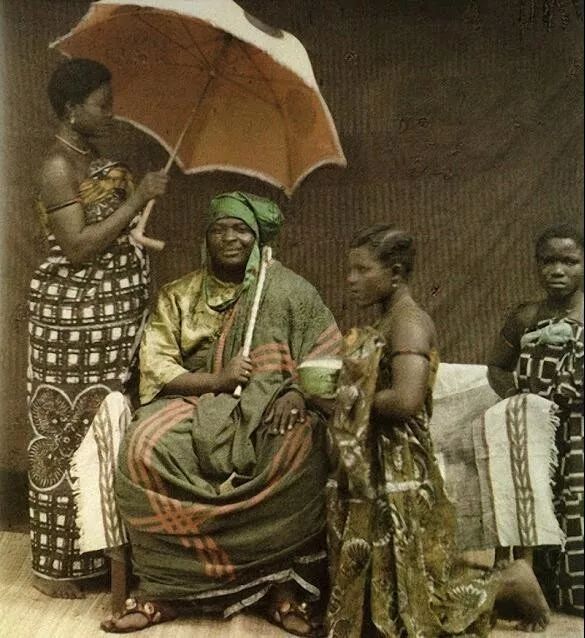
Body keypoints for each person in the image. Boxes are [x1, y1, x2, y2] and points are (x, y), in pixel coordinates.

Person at [101, 192, 341, 636]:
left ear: (258, 239)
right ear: (205, 237)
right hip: (191, 401)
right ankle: (163, 590)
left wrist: (296, 392)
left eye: (241, 229)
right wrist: (217, 380)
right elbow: (157, 368)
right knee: (144, 447)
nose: (230, 238)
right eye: (220, 229)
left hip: (268, 405)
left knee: (298, 444)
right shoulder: (178, 295)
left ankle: (280, 588)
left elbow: (324, 357)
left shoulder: (289, 291)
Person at [325, 224, 551, 637]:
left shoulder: (408, 323)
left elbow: (406, 400)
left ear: (395, 273)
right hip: (378, 459)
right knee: (384, 605)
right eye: (350, 269)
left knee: (422, 611)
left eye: (362, 269)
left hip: (401, 463)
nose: (351, 279)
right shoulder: (388, 319)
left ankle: (509, 581)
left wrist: (342, 398)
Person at [27, 57, 168, 599]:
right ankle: (60, 566)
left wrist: (138, 214)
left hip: (113, 321)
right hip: (71, 325)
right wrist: (137, 197)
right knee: (68, 433)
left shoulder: (98, 162)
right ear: (70, 109)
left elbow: (115, 234)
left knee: (109, 429)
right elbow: (78, 247)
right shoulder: (56, 167)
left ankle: (106, 562)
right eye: (101, 104)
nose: (110, 113)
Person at [488, 223, 583, 616]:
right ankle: (535, 592)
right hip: (537, 431)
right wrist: (519, 401)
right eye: (547, 261)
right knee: (536, 501)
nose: (557, 270)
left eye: (569, 261)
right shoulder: (525, 316)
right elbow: (497, 367)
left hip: (580, 432)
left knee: (577, 505)